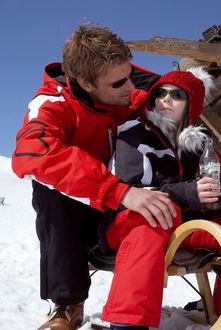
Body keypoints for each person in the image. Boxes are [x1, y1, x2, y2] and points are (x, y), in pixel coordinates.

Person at [11, 24, 177, 330]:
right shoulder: (51, 104)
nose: (130, 88)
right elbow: (31, 153)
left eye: (130, 75)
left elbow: (182, 89)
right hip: (87, 202)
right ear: (86, 82)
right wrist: (119, 192)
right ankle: (67, 304)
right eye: (119, 83)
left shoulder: (129, 84)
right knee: (48, 190)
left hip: (129, 199)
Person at [101, 67, 221, 330]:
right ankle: (127, 322)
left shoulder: (200, 146)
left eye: (176, 95)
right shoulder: (134, 134)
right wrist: (189, 192)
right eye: (160, 93)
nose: (165, 99)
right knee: (155, 217)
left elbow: (206, 201)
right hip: (131, 221)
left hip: (182, 226)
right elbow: (135, 192)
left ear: (191, 105)